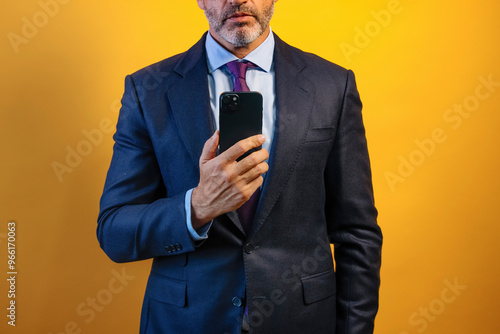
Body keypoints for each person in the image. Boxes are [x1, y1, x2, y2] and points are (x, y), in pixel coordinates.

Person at [97, 0, 383, 333]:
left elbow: (357, 233)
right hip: (186, 322)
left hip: (301, 321)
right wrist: (196, 208)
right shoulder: (149, 90)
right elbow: (115, 231)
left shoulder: (332, 85)